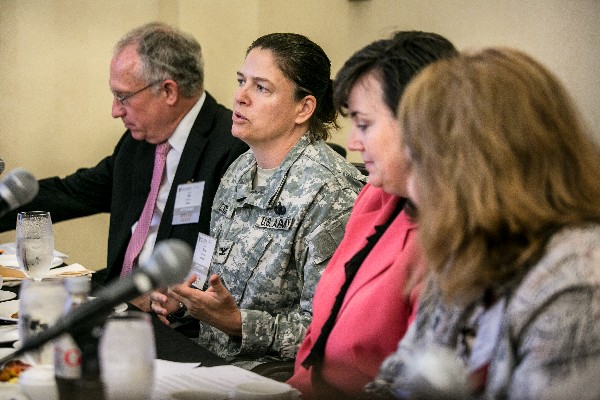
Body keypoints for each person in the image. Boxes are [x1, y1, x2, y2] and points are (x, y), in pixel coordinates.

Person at [366, 47, 600, 399]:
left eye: (418, 163)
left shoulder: (578, 281)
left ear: (472, 170)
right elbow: (396, 380)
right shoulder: (470, 249)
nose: (412, 189)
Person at [150, 33, 365, 367]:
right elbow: (213, 273)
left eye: (261, 87)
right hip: (208, 358)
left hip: (273, 374)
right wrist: (187, 299)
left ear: (304, 107)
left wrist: (239, 324)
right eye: (241, 81)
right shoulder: (240, 167)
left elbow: (329, 331)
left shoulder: (331, 191)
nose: (240, 97)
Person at [0, 22, 248, 311]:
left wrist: (180, 301)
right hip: (116, 297)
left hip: (177, 324)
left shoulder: (231, 147)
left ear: (168, 91)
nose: (115, 111)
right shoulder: (138, 142)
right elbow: (72, 194)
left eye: (123, 96)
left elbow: (234, 266)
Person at [286, 31, 458, 399]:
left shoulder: (455, 235)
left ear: (419, 121)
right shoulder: (375, 196)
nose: (352, 143)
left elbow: (411, 383)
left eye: (363, 124)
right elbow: (319, 330)